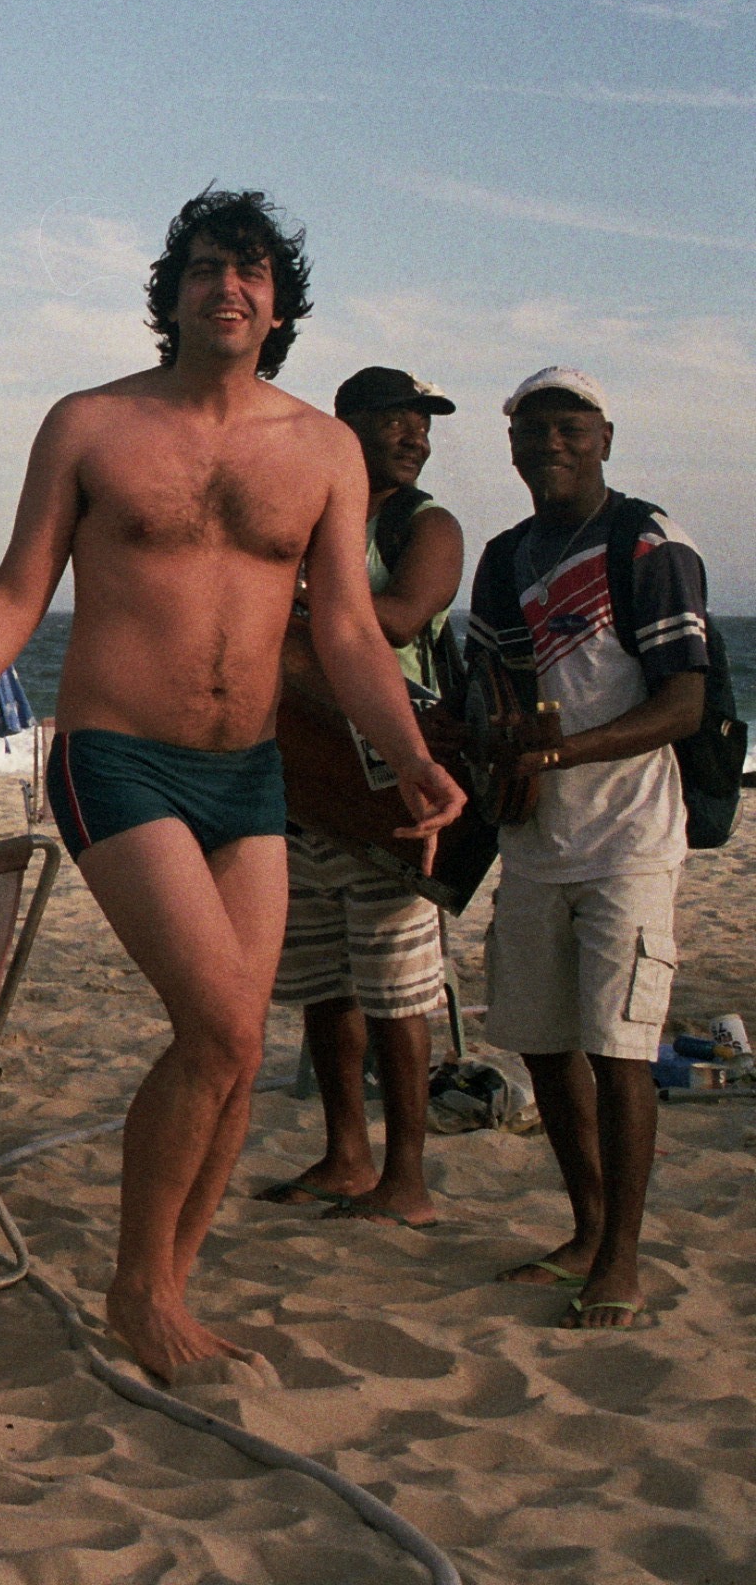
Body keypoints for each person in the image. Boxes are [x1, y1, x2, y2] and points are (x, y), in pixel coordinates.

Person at [0, 189, 462, 1383]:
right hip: (116, 756)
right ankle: (140, 1287)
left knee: (232, 1049)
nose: (226, 287)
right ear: (170, 294)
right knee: (223, 1022)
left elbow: (345, 629)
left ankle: (171, 1284)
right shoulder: (91, 424)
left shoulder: (323, 450)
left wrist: (411, 752)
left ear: (279, 302)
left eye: (250, 271)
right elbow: (19, 591)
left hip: (251, 774)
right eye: (203, 269)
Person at [471, 368, 709, 1332]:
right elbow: (490, 681)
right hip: (535, 840)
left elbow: (683, 701)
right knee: (542, 1039)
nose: (550, 445)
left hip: (631, 841)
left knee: (619, 1048)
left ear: (606, 435)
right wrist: (481, 747)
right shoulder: (504, 555)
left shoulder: (646, 541)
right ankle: (585, 1227)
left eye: (570, 428)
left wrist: (561, 748)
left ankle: (622, 1258)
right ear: (513, 445)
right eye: (532, 430)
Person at [263, 366, 465, 1229]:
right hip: (300, 779)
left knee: (398, 986)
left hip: (384, 777)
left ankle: (407, 1176)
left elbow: (402, 615)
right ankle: (348, 1154)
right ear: (347, 428)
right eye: (397, 420)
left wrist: (291, 592)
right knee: (324, 981)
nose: (415, 435)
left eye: (422, 422)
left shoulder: (429, 525)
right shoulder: (311, 515)